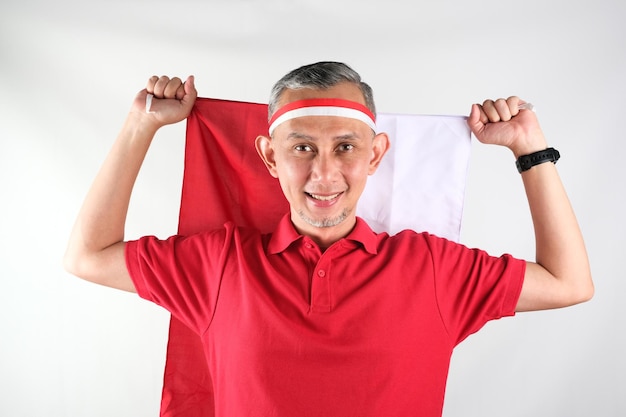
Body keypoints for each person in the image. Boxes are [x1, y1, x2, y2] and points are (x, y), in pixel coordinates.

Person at [64, 61, 593, 416]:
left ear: (376, 154)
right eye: (301, 148)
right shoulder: (220, 263)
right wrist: (141, 125)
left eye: (345, 147)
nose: (324, 173)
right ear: (269, 157)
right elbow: (88, 257)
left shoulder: (430, 266)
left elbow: (569, 283)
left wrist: (530, 148)